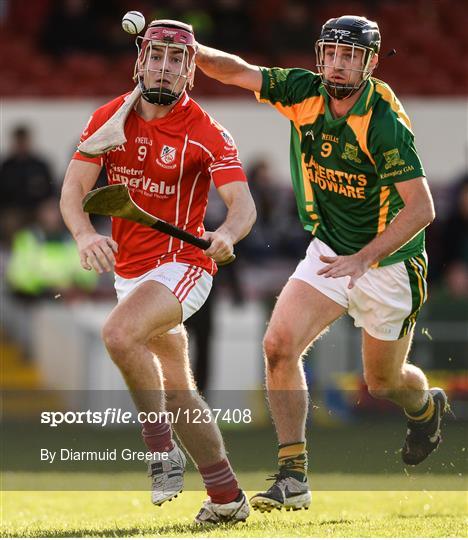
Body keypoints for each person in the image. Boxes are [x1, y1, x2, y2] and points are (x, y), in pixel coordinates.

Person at [195, 15, 449, 512]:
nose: (338, 63)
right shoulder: (302, 89)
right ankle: (293, 476)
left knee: (383, 384)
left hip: (389, 261)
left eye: (351, 56)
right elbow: (239, 71)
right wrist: (192, 48)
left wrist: (365, 257)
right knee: (278, 346)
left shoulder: (382, 122)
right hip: (331, 248)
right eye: (332, 52)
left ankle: (424, 408)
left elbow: (422, 208)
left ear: (370, 63)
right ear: (320, 54)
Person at [60, 19, 256, 524]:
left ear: (191, 71)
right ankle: (227, 498)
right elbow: (74, 189)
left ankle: (159, 448)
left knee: (119, 333)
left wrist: (229, 234)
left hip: (184, 265)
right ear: (139, 62)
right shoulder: (110, 118)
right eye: (155, 58)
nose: (164, 69)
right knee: (176, 388)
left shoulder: (206, 131)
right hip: (132, 272)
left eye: (176, 61)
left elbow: (243, 205)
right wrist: (85, 235)